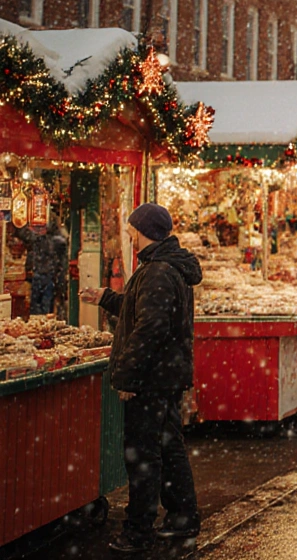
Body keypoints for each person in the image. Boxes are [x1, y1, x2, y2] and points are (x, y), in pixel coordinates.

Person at [80, 203, 200, 552]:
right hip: (164, 376)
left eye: (132, 229)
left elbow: (150, 328)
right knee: (168, 447)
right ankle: (182, 517)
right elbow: (143, 312)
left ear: (142, 229)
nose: (129, 235)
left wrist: (129, 378)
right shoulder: (161, 267)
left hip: (151, 379)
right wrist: (107, 298)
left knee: (143, 455)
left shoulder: (159, 270)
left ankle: (138, 531)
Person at [16, 215, 69, 317]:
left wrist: (21, 222)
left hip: (42, 276)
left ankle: (38, 323)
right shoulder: (56, 241)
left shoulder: (41, 240)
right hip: (48, 276)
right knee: (45, 306)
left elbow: (25, 235)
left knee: (38, 306)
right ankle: (41, 324)